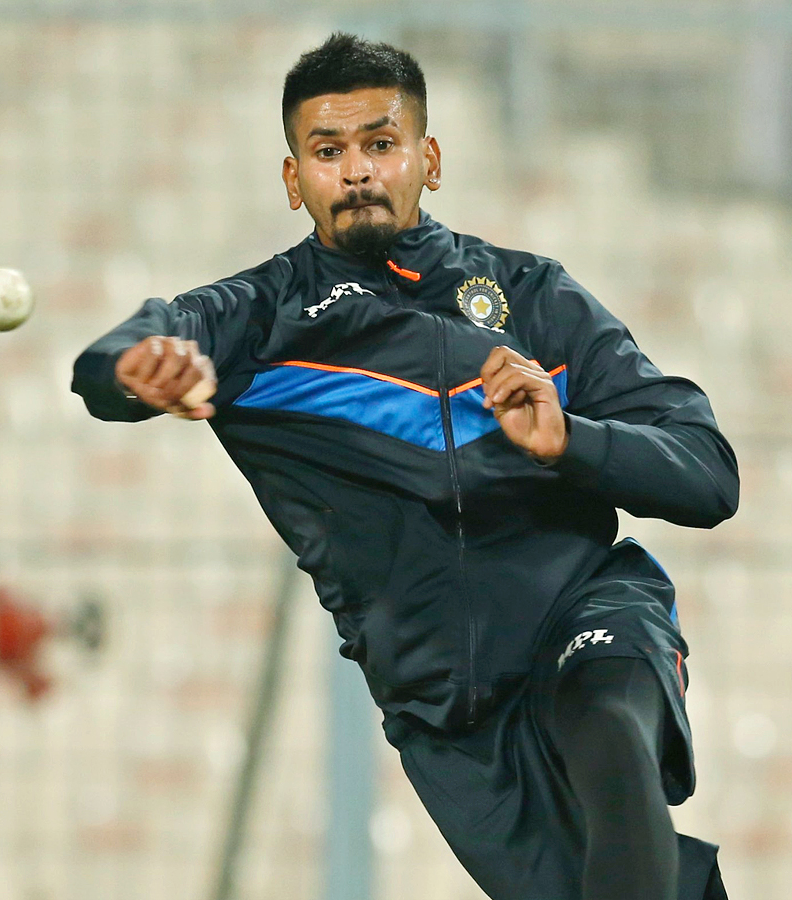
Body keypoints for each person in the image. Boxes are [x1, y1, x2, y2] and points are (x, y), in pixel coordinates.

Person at [72, 32, 738, 900]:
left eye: (380, 145)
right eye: (328, 151)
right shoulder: (259, 320)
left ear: (427, 159)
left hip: (587, 612)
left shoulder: (535, 298)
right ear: (292, 179)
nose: (356, 171)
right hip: (447, 713)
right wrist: (134, 370)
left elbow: (708, 472)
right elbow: (111, 359)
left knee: (613, 732)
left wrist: (569, 438)